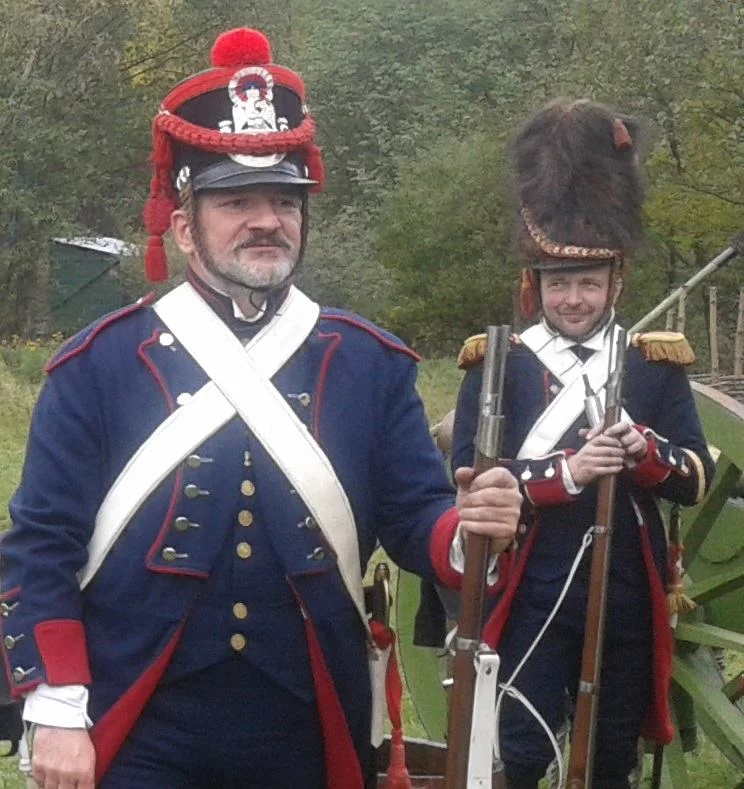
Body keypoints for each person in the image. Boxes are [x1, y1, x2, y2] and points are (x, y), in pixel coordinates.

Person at [0, 28, 522, 789]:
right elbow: (41, 544)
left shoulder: (368, 363)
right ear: (183, 226)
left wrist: (470, 525)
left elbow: (418, 518)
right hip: (142, 709)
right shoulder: (100, 364)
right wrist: (56, 703)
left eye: (284, 200)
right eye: (236, 201)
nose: (266, 220)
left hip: (307, 714)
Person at [451, 99, 715, 789]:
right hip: (534, 582)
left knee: (609, 761)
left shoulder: (654, 363)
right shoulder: (498, 362)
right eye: (560, 283)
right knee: (522, 747)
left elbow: (695, 476)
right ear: (534, 285)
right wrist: (567, 472)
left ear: (616, 283)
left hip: (628, 585)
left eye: (588, 283)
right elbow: (468, 479)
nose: (573, 299)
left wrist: (642, 450)